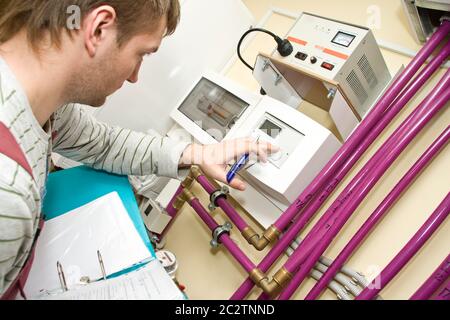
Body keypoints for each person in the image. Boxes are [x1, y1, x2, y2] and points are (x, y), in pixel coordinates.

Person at [0, 0, 276, 298]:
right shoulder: (8, 192)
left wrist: (199, 154)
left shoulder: (45, 107)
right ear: (99, 29)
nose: (134, 77)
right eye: (141, 54)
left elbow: (103, 143)